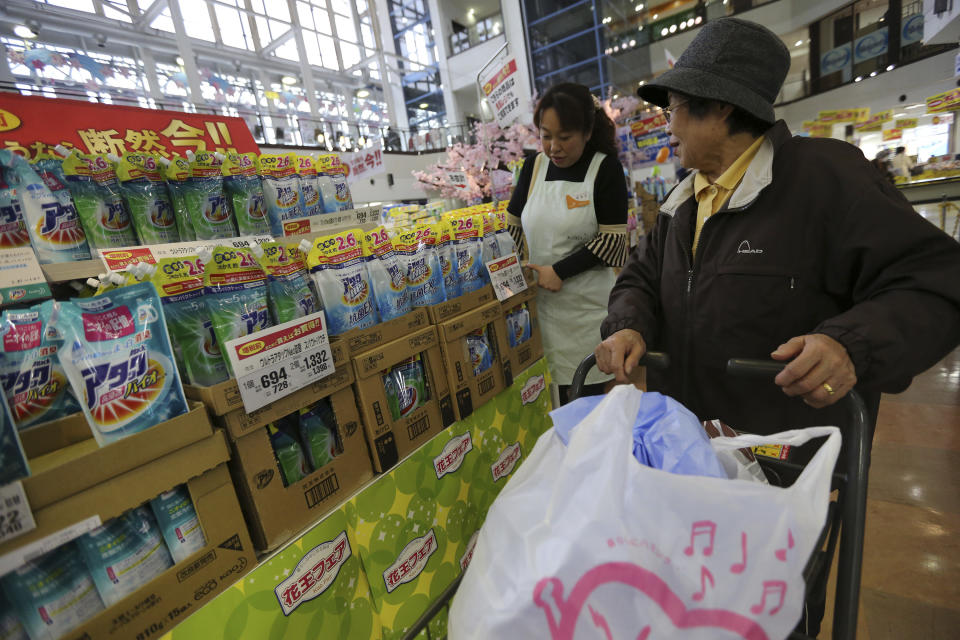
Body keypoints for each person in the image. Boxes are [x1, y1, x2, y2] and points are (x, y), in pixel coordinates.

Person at [595, 19, 960, 631]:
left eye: (679, 107)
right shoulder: (685, 204)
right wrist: (629, 324)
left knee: (773, 616)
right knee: (692, 609)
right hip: (690, 467)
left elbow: (935, 279)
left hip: (782, 476)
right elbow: (637, 279)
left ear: (724, 110)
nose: (668, 123)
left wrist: (849, 345)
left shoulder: (827, 181)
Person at [507, 82, 629, 403]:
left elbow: (613, 242)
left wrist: (559, 270)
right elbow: (513, 224)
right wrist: (516, 266)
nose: (553, 148)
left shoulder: (605, 169)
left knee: (589, 410)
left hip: (586, 315)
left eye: (564, 137)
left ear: (587, 132)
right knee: (546, 407)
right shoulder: (533, 167)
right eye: (546, 136)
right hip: (539, 314)